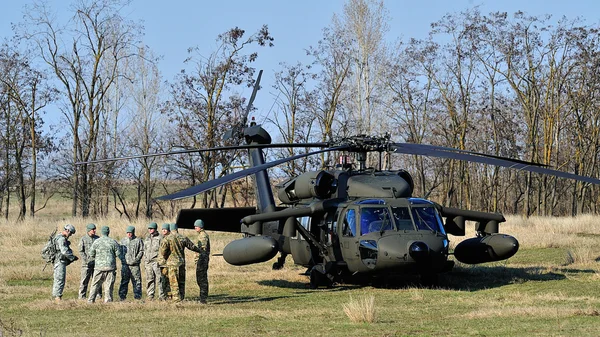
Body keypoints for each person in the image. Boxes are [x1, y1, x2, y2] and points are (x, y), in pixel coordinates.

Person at [159, 223, 201, 302]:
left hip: (172, 264)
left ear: (170, 229)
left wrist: (165, 257)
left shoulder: (167, 239)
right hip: (181, 263)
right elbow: (192, 247)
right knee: (181, 281)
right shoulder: (183, 237)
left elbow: (163, 251)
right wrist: (200, 251)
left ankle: (176, 300)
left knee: (173, 282)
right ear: (177, 229)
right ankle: (181, 297)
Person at [88, 226, 120, 303]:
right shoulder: (113, 242)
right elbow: (118, 253)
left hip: (99, 267)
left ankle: (91, 300)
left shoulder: (96, 241)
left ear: (101, 232)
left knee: (95, 284)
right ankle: (108, 301)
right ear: (108, 232)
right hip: (110, 266)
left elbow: (91, 254)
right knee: (108, 285)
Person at [52, 224, 78, 302]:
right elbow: (64, 251)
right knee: (60, 279)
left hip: (58, 261)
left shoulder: (57, 237)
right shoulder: (61, 239)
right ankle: (57, 297)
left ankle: (57, 296)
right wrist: (72, 257)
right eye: (70, 233)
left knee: (58, 279)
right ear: (67, 231)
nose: (70, 235)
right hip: (60, 261)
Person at [118, 225, 144, 301]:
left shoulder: (138, 240)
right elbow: (119, 252)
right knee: (124, 281)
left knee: (137, 281)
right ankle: (122, 297)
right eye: (127, 233)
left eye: (130, 232)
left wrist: (136, 260)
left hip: (135, 266)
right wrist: (123, 260)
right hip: (125, 265)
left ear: (133, 232)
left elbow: (141, 251)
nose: (129, 234)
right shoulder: (123, 241)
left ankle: (137, 297)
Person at [144, 222, 165, 301]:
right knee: (149, 279)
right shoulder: (147, 238)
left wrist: (160, 260)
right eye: (149, 229)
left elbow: (163, 250)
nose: (150, 230)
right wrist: (145, 259)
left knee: (160, 279)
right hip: (148, 262)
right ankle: (150, 295)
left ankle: (161, 296)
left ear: (155, 229)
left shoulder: (160, 238)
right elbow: (144, 249)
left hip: (156, 261)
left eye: (151, 228)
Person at [78, 223, 100, 300]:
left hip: (96, 264)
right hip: (86, 264)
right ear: (88, 230)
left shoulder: (98, 239)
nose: (94, 231)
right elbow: (81, 251)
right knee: (84, 281)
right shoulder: (83, 239)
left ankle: (98, 296)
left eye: (95, 229)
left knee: (97, 280)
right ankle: (82, 297)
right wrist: (86, 260)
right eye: (93, 229)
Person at [194, 219, 210, 304]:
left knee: (202, 279)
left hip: (202, 260)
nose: (195, 227)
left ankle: (203, 298)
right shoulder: (200, 235)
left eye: (197, 226)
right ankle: (202, 297)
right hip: (201, 259)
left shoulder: (203, 236)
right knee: (199, 278)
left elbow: (202, 249)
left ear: (201, 226)